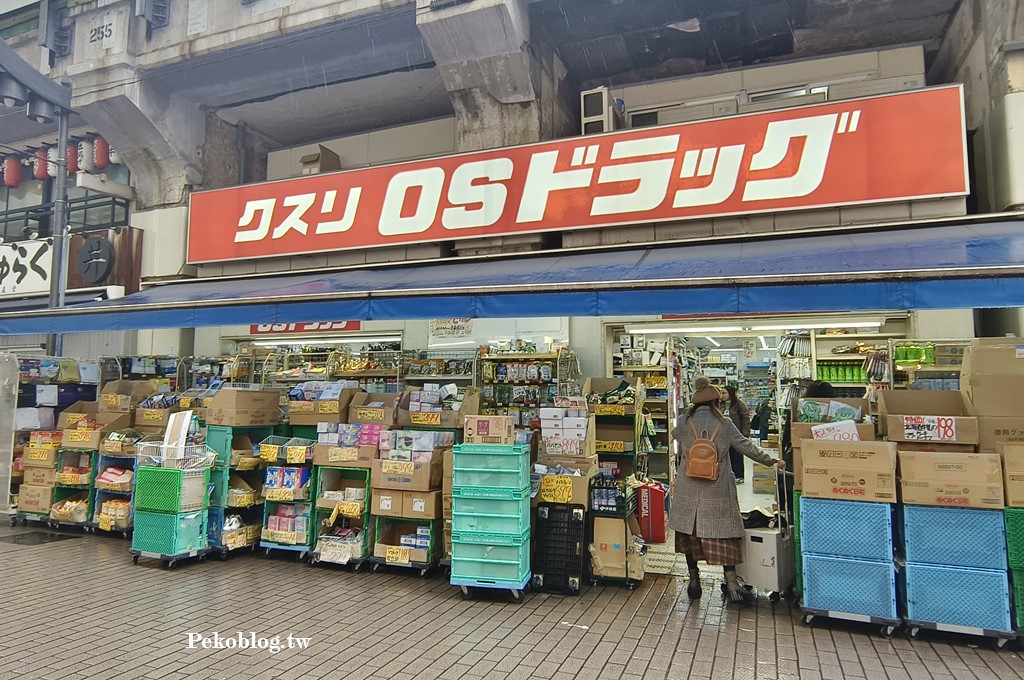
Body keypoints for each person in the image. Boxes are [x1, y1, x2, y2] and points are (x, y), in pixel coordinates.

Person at [670, 375, 785, 604]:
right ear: (717, 403)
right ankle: (732, 583)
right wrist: (772, 462)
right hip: (716, 488)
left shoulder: (683, 422)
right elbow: (746, 447)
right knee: (723, 534)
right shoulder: (724, 424)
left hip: (687, 488)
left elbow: (678, 443)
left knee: (689, 536)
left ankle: (694, 580)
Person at [724, 385, 750, 484]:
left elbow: (745, 419)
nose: (722, 395)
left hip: (737, 434)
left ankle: (739, 476)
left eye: (725, 393)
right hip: (724, 434)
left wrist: (745, 434)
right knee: (727, 455)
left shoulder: (739, 405)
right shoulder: (719, 404)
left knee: (737, 455)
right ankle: (729, 475)